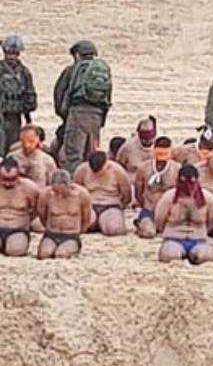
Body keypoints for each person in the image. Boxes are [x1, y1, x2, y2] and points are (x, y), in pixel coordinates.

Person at [59, 40, 112, 173]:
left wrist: (65, 117)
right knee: (91, 154)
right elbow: (108, 97)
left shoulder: (72, 70)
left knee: (73, 155)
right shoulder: (103, 71)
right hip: (97, 116)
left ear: (77, 55)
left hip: (77, 114)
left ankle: (73, 181)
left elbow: (59, 95)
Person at [155, 165, 213, 265]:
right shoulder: (169, 198)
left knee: (207, 257)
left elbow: (212, 220)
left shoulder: (208, 198)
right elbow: (159, 220)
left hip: (198, 239)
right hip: (173, 239)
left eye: (191, 182)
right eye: (184, 183)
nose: (188, 187)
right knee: (171, 255)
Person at [0, 35, 37, 155]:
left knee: (13, 149)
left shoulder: (24, 72)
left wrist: (28, 114)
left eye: (15, 54)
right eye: (9, 54)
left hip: (15, 116)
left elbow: (29, 93)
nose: (12, 57)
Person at [72, 151, 132, 236]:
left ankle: (105, 221)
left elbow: (127, 194)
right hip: (90, 205)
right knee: (81, 227)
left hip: (110, 205)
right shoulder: (82, 170)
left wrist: (122, 205)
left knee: (114, 229)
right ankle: (95, 223)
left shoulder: (117, 170)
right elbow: (76, 191)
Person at [36, 170, 93, 260]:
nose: (59, 195)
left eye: (61, 191)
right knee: (44, 254)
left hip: (71, 234)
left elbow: (86, 218)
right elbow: (42, 215)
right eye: (56, 191)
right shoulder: (46, 195)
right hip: (52, 233)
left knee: (61, 254)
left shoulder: (82, 195)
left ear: (68, 185)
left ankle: (74, 248)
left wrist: (78, 232)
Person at [133, 137, 180, 239]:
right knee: (148, 233)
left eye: (165, 154)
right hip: (149, 209)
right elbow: (138, 191)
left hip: (169, 212)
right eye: (159, 154)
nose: (162, 157)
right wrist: (144, 204)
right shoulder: (143, 168)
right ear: (154, 151)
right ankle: (141, 223)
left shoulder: (177, 168)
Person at [115, 116, 158, 183]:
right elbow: (119, 166)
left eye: (150, 136)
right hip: (133, 182)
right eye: (144, 135)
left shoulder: (162, 146)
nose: (147, 140)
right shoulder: (128, 147)